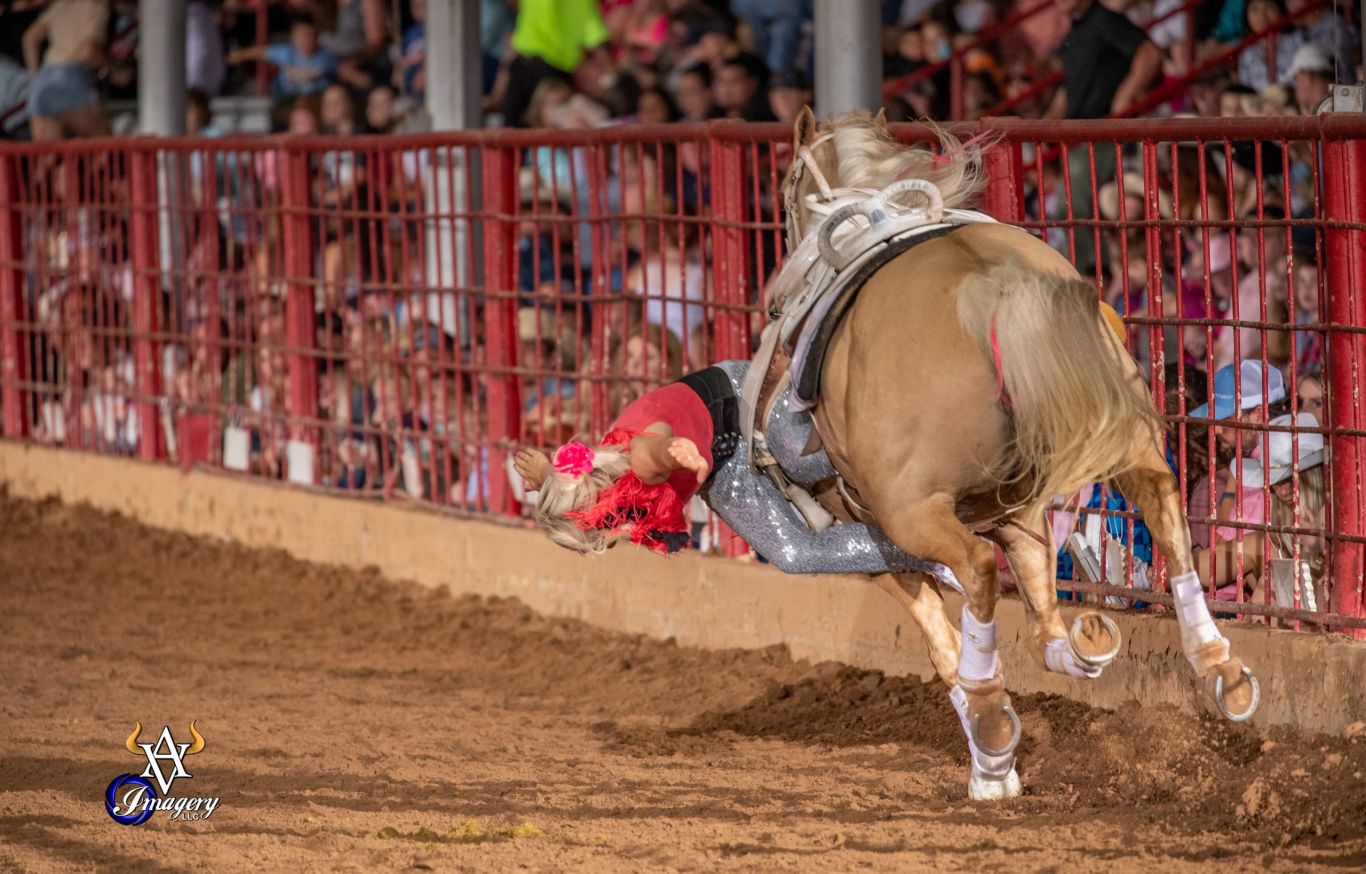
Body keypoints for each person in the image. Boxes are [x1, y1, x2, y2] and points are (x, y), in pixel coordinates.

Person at [514, 360, 946, 578]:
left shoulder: (643, 463)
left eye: (596, 536)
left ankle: (910, 422)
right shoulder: (604, 481)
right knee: (794, 555)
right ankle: (934, 555)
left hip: (740, 400)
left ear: (601, 508)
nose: (605, 545)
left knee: (805, 458)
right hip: (721, 461)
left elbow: (655, 449)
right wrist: (544, 479)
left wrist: (677, 452)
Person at [1044, 0, 1162, 275]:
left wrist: (1125, 96)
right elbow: (1072, 86)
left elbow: (1149, 53)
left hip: (1102, 132)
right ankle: (1085, 272)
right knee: (1070, 207)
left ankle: (1092, 275)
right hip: (1080, 134)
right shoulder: (1075, 32)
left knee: (1073, 207)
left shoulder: (1105, 20)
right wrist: (1047, 120)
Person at [1192, 413, 1327, 599]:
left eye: (1289, 479)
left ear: (1313, 475)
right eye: (1275, 482)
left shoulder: (1339, 516)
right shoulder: (1270, 538)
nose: (1283, 491)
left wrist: (1321, 547)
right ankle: (1152, 574)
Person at [501, 0, 610, 127]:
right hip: (552, 66)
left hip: (528, 60)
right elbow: (593, 32)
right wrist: (609, 68)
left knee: (516, 134)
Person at [21, 0, 110, 140]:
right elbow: (89, 51)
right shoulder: (95, 5)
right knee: (105, 142)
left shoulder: (60, 5)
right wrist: (115, 71)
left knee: (47, 157)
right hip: (69, 76)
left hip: (43, 80)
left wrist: (35, 76)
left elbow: (29, 39)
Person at [228, 13, 339, 100]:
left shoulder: (326, 56)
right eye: (300, 35)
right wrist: (239, 55)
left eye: (308, 35)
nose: (304, 40)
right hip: (287, 101)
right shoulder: (287, 52)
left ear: (316, 37)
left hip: (317, 101)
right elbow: (260, 51)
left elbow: (322, 72)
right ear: (293, 38)